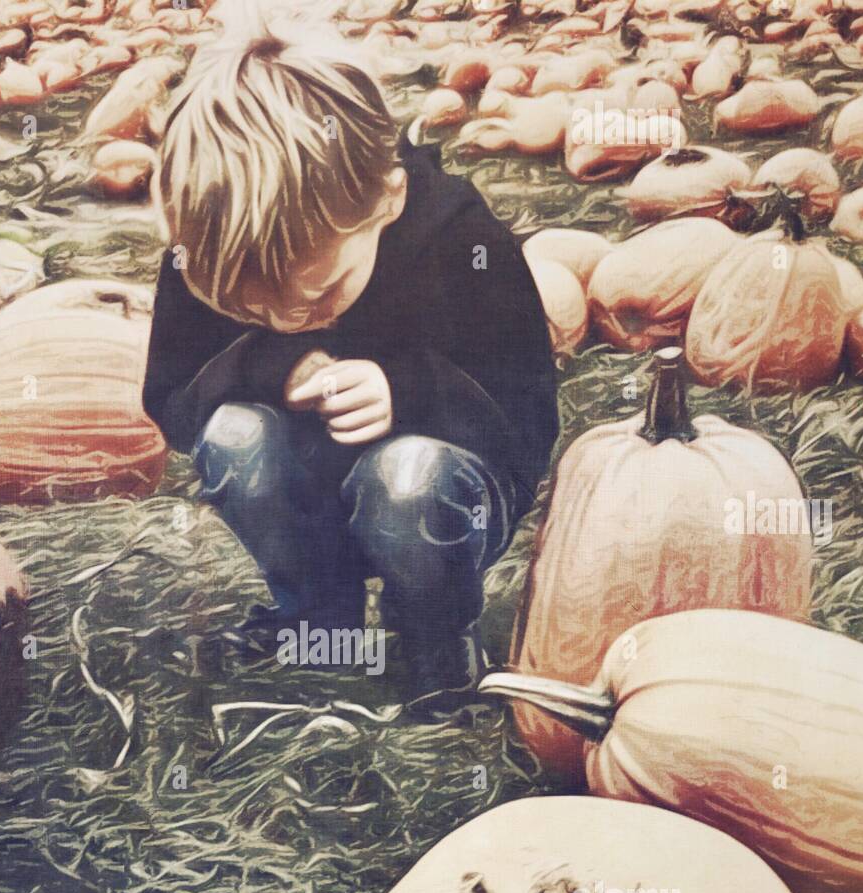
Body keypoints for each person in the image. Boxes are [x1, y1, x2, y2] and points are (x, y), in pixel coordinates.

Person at [142, 0, 556, 704]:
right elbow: (170, 397)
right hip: (308, 491)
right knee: (233, 435)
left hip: (442, 491)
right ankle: (317, 618)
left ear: (388, 200)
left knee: (408, 473)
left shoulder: (462, 241)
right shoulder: (205, 254)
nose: (284, 320)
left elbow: (528, 418)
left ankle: (435, 643)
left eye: (315, 296)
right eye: (248, 309)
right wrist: (270, 366)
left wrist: (410, 389)